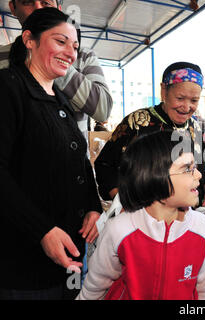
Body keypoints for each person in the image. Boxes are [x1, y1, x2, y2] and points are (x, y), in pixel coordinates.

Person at [0, 7, 102, 300]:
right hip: (23, 265)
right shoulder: (8, 89)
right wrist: (42, 230)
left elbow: (79, 161)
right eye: (60, 41)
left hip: (68, 262)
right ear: (29, 39)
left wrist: (93, 205)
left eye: (75, 46)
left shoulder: (61, 101)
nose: (70, 53)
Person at [77, 131, 205, 300]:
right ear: (154, 177)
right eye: (188, 169)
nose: (199, 175)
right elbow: (95, 287)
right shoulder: (119, 229)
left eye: (195, 168)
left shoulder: (203, 229)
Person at [95, 62, 205, 213]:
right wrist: (123, 202)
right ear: (163, 91)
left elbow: (199, 168)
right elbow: (105, 165)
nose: (187, 107)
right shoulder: (137, 122)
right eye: (180, 98)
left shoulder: (195, 127)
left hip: (184, 219)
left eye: (194, 101)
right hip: (140, 217)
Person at [1, 0, 113, 139]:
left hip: (74, 158)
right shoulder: (1, 57)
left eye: (45, 3)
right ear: (13, 8)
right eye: (27, 2)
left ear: (58, 9)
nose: (38, 8)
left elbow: (103, 109)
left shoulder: (83, 56)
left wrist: (57, 62)